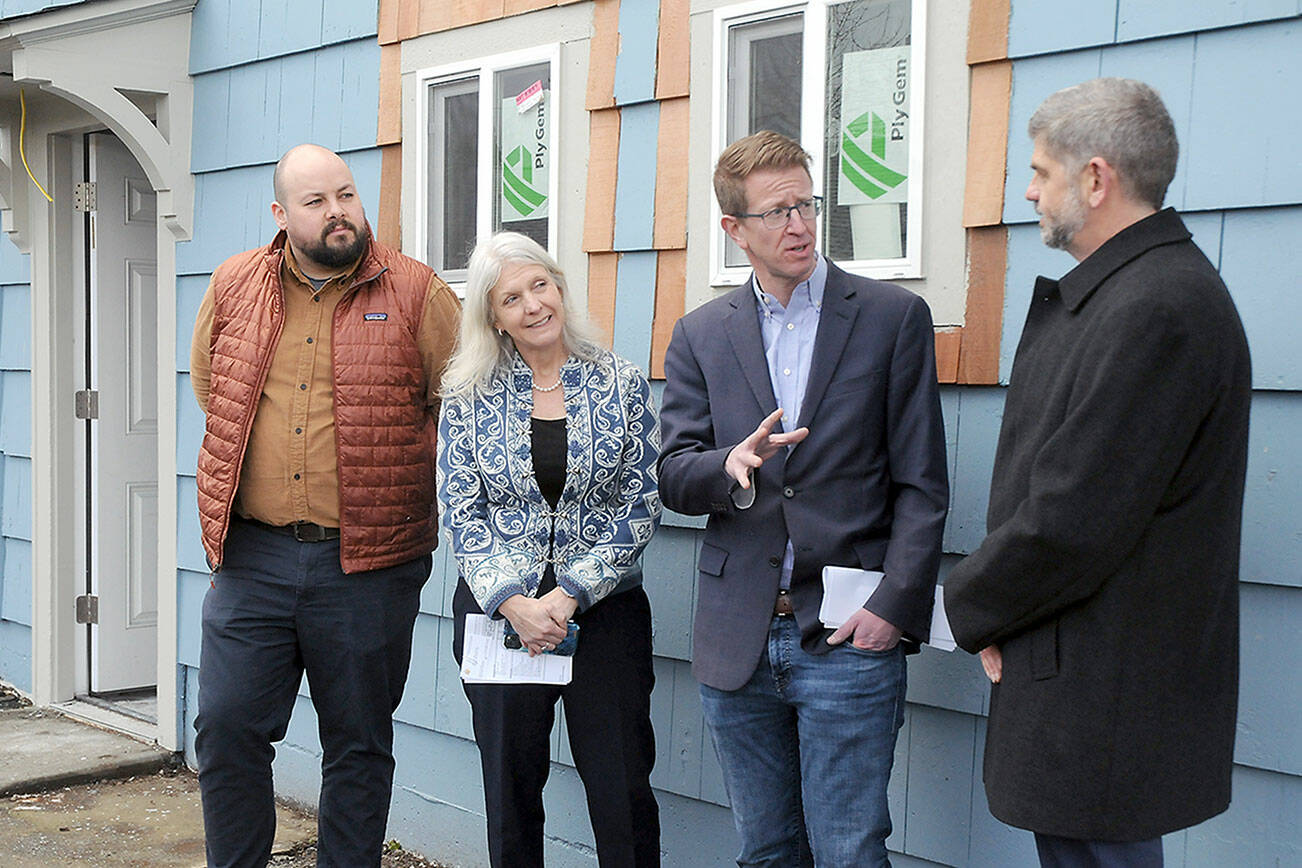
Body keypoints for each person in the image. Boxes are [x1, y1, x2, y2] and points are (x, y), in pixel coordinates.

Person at [943, 78, 1251, 868]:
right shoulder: (1134, 293)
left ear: (1096, 178)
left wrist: (969, 609)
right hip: (1083, 667)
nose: (1029, 189)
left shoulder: (1155, 307)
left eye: (1042, 172)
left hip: (1106, 680)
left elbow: (1073, 518)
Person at [657, 130, 949, 866]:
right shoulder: (701, 335)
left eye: (807, 204)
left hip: (850, 634)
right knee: (766, 849)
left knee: (850, 849)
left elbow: (922, 483)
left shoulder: (889, 317)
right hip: (738, 640)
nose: (799, 225)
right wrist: (732, 463)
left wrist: (896, 608)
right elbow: (674, 474)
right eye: (777, 211)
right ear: (734, 230)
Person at [189, 143, 461, 867]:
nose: (338, 212)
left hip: (370, 562)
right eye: (317, 202)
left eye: (346, 194)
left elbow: (458, 405)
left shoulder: (417, 292)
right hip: (253, 557)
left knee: (359, 744)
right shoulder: (235, 283)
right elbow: (214, 387)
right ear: (281, 214)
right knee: (226, 729)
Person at [437, 232, 662, 867]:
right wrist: (514, 602)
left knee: (621, 792)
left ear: (559, 287)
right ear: (493, 316)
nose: (533, 305)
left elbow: (640, 498)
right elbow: (462, 507)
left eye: (540, 285)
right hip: (500, 617)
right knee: (510, 795)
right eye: (512, 297)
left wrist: (569, 594)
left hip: (605, 615)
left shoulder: (618, 381)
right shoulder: (468, 394)